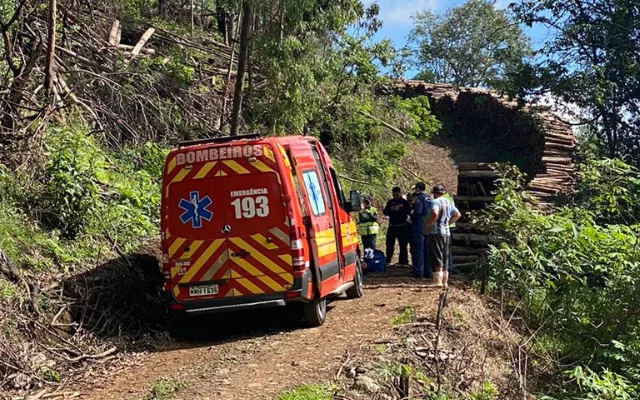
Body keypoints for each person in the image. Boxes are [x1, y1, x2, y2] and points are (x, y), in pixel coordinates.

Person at [424, 184, 461, 288]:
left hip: (436, 232)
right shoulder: (448, 202)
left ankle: (437, 281)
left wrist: (428, 224)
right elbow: (457, 214)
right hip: (446, 233)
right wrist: (447, 223)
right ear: (443, 193)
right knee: (445, 256)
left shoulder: (435, 202)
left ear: (434, 193)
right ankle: (445, 282)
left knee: (436, 255)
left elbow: (434, 213)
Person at [383, 187, 411, 265]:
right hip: (392, 226)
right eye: (394, 194)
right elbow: (385, 212)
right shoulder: (390, 202)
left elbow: (408, 212)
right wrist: (391, 209)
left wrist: (399, 210)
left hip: (402, 226)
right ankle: (388, 259)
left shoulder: (405, 202)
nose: (395, 196)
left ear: (400, 193)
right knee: (389, 244)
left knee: (403, 244)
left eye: (397, 194)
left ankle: (403, 261)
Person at [410, 182, 431, 278]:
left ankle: (418, 272)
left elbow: (418, 212)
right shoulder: (429, 198)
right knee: (427, 249)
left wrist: (411, 217)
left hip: (419, 225)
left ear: (418, 189)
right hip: (428, 225)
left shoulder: (419, 199)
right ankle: (428, 271)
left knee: (418, 249)